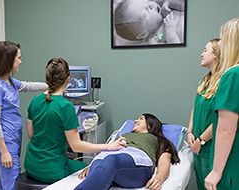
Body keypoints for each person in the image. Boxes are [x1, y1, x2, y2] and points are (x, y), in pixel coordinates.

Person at [24, 58, 126, 183]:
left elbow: (31, 134)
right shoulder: (65, 106)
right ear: (68, 79)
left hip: (31, 166)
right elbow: (76, 146)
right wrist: (108, 146)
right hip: (52, 170)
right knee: (88, 167)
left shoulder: (35, 101)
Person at [0, 41, 48, 190]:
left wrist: (50, 86)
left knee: (4, 184)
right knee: (11, 185)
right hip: (5, 144)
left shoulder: (9, 81)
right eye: (18, 57)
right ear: (8, 60)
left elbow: (27, 86)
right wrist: (4, 152)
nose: (21, 61)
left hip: (13, 141)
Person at [75, 113, 180, 190]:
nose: (135, 121)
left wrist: (159, 178)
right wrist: (93, 166)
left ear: (149, 125)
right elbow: (108, 151)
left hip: (137, 164)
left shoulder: (159, 140)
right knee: (107, 162)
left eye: (141, 119)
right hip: (108, 160)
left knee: (112, 160)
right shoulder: (124, 135)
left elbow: (164, 162)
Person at [205, 18, 239, 190]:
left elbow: (227, 129)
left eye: (223, 39)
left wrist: (217, 171)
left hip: (231, 164)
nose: (219, 43)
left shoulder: (233, 75)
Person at [187, 39, 220, 190]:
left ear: (216, 55)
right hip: (198, 144)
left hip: (210, 146)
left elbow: (221, 120)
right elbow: (196, 107)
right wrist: (189, 131)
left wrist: (201, 140)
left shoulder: (224, 82)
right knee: (201, 182)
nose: (202, 54)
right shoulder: (205, 80)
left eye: (205, 50)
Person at [113, 0, 185, 46]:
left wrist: (170, 2)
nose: (151, 5)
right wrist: (171, 33)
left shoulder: (164, 6)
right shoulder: (157, 37)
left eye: (146, 2)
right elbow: (176, 53)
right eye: (145, 13)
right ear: (143, 34)